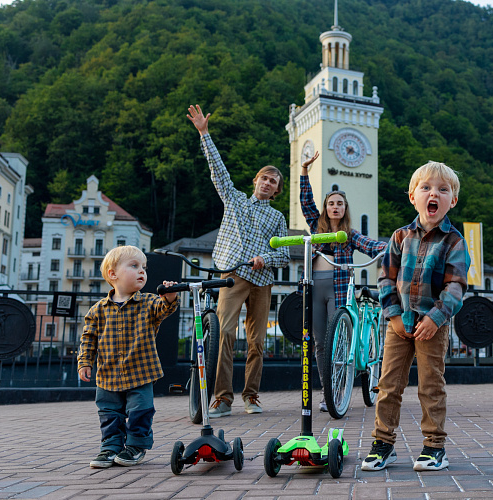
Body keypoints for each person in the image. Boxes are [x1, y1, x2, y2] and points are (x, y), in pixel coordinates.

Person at [362, 161, 470, 472]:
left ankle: (434, 447)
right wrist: (393, 314)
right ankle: (383, 444)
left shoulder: (454, 242)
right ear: (413, 196)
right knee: (388, 385)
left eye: (443, 190)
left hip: (432, 327)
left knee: (430, 385)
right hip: (399, 325)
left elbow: (455, 286)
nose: (433, 193)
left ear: (453, 201)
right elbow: (385, 278)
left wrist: (436, 318)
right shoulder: (399, 237)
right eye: (426, 188)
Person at [187, 104, 290, 417]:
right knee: (224, 333)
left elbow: (285, 255)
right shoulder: (234, 200)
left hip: (263, 280)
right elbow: (218, 171)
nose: (268, 183)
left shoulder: (277, 217)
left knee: (257, 341)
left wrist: (266, 257)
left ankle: (251, 396)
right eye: (265, 178)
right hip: (233, 274)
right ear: (255, 181)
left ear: (276, 191)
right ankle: (222, 398)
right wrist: (204, 133)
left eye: (274, 181)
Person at [299, 151, 387, 412]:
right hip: (314, 287)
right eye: (331, 203)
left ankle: (339, 390)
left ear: (345, 209)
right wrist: (304, 171)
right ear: (326, 208)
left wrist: (393, 247)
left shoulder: (348, 234)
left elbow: (371, 245)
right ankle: (329, 392)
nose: (335, 207)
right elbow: (305, 202)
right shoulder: (316, 226)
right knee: (320, 343)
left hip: (338, 288)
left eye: (340, 204)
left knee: (338, 339)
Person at [77, 245, 179, 469]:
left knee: (140, 411)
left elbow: (165, 309)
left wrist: (170, 298)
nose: (142, 271)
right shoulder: (97, 311)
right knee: (109, 412)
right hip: (108, 374)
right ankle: (110, 447)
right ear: (113, 274)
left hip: (141, 373)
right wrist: (85, 362)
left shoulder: (150, 302)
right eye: (134, 266)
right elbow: (88, 338)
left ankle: (135, 446)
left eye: (144, 267)